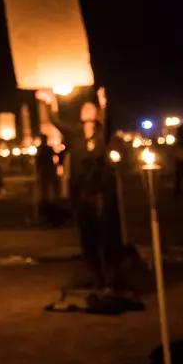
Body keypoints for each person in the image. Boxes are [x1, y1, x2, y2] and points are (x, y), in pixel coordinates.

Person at [38, 88, 120, 288]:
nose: (87, 110)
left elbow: (109, 119)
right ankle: (94, 273)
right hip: (81, 189)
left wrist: (103, 103)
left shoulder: (102, 133)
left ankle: (109, 271)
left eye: (91, 108)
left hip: (100, 188)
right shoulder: (74, 134)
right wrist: (51, 102)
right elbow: (55, 122)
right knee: (87, 230)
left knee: (105, 229)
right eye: (85, 108)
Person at [34, 134, 59, 214]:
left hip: (47, 169)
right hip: (45, 170)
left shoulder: (45, 148)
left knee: (47, 186)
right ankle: (46, 200)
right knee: (45, 186)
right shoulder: (43, 149)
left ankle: (48, 200)